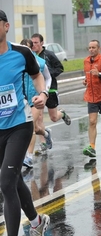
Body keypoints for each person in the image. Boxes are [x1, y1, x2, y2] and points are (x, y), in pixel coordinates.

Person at [0, 10, 50, 236]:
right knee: (14, 179)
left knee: (6, 182)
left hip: (19, 125)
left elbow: (37, 75)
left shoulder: (21, 53)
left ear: (6, 26)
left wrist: (43, 95)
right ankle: (37, 221)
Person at [31, 33, 71, 150]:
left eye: (36, 42)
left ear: (42, 43)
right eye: (32, 42)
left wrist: (47, 73)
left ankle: (62, 113)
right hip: (38, 90)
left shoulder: (49, 55)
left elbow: (60, 68)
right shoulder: (31, 56)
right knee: (38, 118)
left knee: (53, 117)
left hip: (50, 88)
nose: (34, 45)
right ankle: (43, 143)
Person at [20, 39, 53, 168]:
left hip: (36, 99)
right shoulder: (17, 63)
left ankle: (28, 157)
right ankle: (46, 133)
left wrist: (44, 92)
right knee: (31, 128)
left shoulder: (39, 62)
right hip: (22, 99)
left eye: (27, 48)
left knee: (31, 126)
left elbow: (48, 77)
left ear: (32, 49)